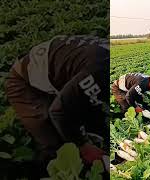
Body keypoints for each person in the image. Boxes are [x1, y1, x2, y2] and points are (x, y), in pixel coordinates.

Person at [5, 35, 109, 175]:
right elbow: (59, 111)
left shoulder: (105, 64)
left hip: (58, 71)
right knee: (55, 145)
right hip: (24, 81)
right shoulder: (100, 69)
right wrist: (83, 146)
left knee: (91, 122)